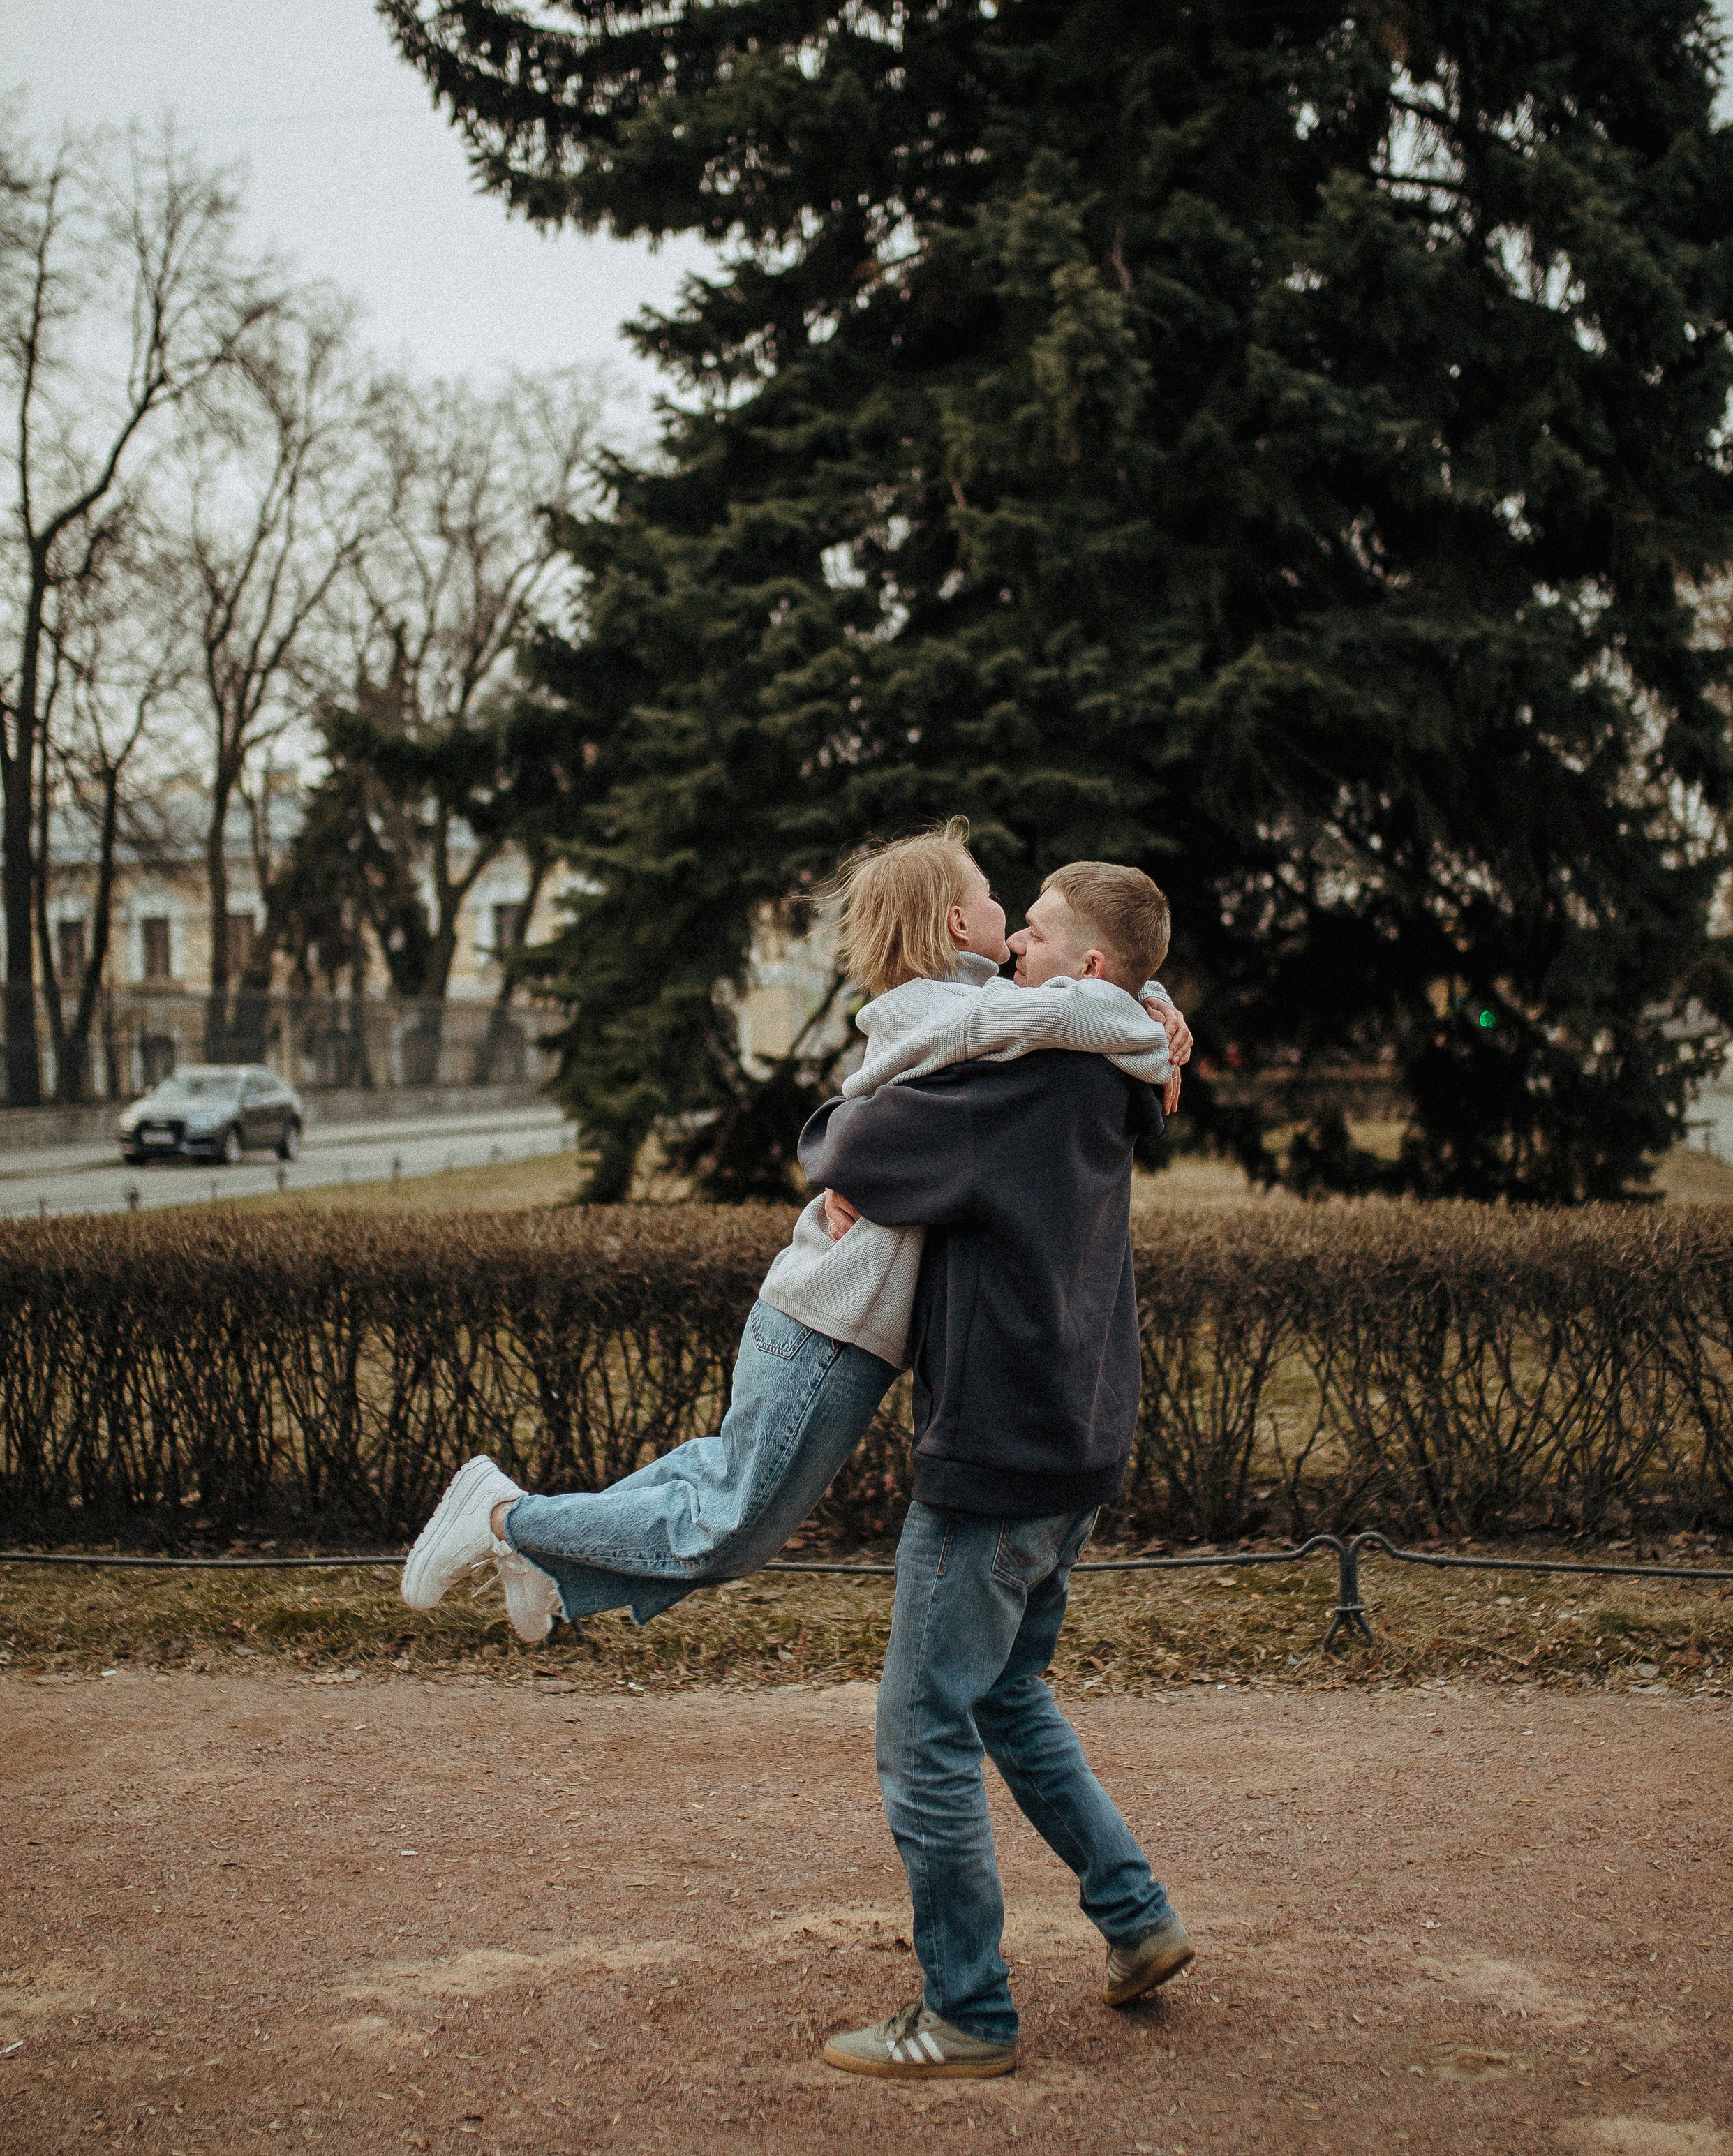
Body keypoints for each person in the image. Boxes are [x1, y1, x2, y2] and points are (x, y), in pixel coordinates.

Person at [399, 824, 1191, 1639]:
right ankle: (508, 1520)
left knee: (723, 1476)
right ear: (959, 925)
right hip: (829, 1317)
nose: (1013, 921)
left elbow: (1086, 995)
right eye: (995, 900)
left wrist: (1153, 997)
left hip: (837, 1317)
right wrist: (1156, 1022)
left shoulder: (979, 1012)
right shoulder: (956, 1015)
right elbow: (1087, 1008)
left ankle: (546, 1554)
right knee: (735, 1524)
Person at [800, 861, 1193, 2080]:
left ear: (1082, 972)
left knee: (923, 1725)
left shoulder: (1012, 1088)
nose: (1010, 946)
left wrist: (845, 1139)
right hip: (1079, 1438)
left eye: (1032, 933)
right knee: (1008, 1693)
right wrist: (1154, 1003)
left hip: (996, 1448)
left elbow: (841, 1144)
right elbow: (1138, 1033)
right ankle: (1135, 1920)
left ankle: (967, 2009)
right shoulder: (1119, 1068)